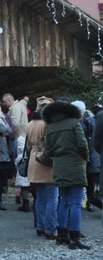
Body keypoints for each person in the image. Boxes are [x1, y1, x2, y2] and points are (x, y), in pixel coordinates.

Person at [43, 100, 91, 249]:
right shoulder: (73, 123)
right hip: (75, 165)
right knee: (76, 203)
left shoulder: (50, 127)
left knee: (63, 201)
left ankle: (62, 236)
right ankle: (74, 238)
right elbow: (82, 144)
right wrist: (85, 157)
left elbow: (48, 151)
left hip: (59, 166)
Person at [28, 97, 56, 238]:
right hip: (46, 160)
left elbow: (28, 145)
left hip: (34, 160)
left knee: (39, 197)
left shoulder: (31, 123)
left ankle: (40, 226)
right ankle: (50, 228)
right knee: (51, 197)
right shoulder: (48, 124)